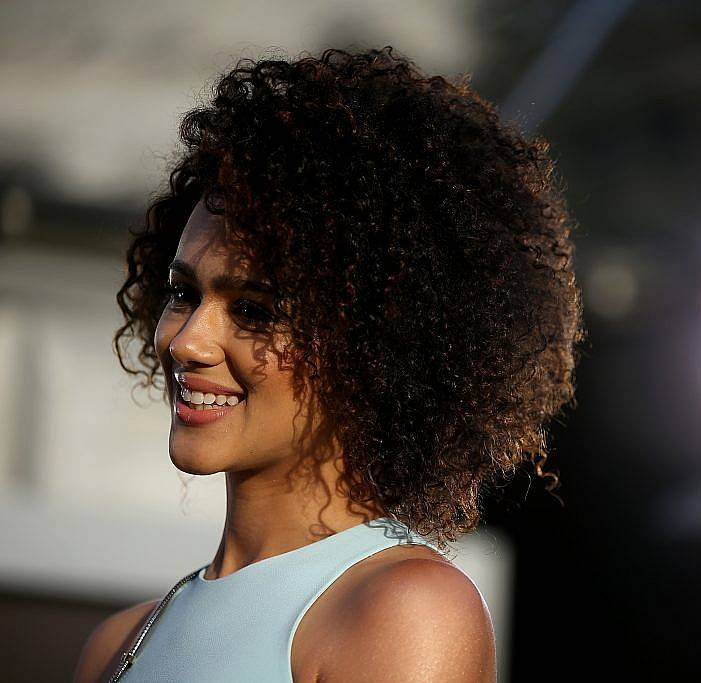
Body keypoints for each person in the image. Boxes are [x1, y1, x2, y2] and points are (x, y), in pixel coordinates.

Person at [72, 45, 585, 682]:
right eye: (183, 294)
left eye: (255, 310)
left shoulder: (404, 611)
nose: (187, 342)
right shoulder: (114, 646)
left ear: (374, 343)